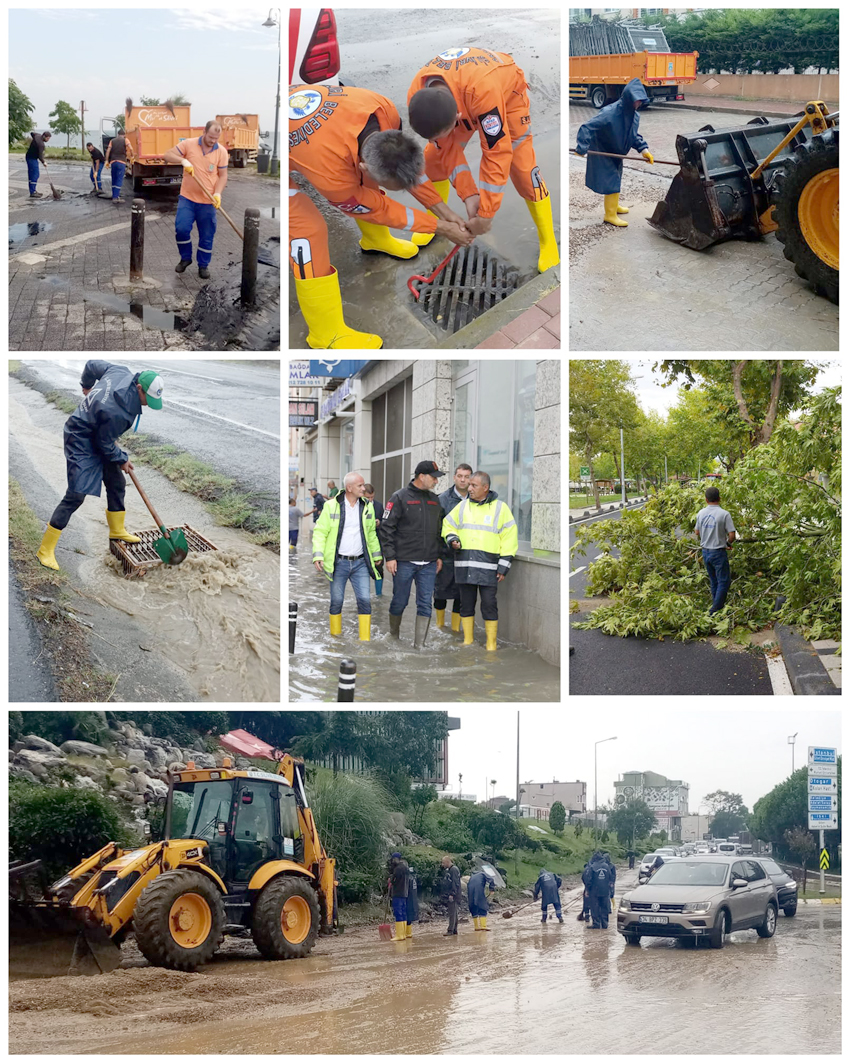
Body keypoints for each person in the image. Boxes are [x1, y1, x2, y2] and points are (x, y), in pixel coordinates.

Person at [289, 83, 473, 349]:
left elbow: (405, 169)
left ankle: (375, 241)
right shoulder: (333, 176)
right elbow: (377, 209)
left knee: (368, 187)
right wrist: (441, 227)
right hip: (283, 154)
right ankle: (325, 334)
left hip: (325, 129)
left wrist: (444, 212)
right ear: (363, 165)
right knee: (308, 231)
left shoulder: (385, 111)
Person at [407, 48, 558, 273]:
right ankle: (436, 225)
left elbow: (497, 153)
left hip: (506, 92)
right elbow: (446, 150)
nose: (436, 140)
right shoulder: (416, 93)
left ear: (459, 119)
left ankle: (548, 240)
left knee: (523, 169)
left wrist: (486, 212)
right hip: (467, 87)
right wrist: (469, 196)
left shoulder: (482, 92)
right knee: (433, 158)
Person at [36, 362, 164, 570]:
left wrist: (87, 386)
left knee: (116, 483)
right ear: (139, 388)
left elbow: (92, 365)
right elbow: (104, 444)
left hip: (99, 431)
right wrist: (122, 458)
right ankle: (45, 550)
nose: (148, 404)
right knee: (76, 494)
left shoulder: (120, 371)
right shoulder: (118, 412)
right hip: (80, 438)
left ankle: (117, 530)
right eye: (147, 399)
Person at [442, 470, 518, 651]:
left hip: (489, 568)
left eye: (474, 485)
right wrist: (452, 539)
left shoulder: (501, 508)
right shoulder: (462, 507)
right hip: (465, 565)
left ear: (486, 487)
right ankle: (468, 640)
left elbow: (510, 537)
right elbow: (448, 525)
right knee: (466, 604)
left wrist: (504, 566)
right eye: (469, 485)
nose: (469, 488)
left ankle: (491, 643)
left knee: (489, 604)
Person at [379, 460, 446, 648]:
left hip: (429, 562)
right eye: (433, 478)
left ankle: (419, 646)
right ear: (421, 476)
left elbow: (439, 530)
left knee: (425, 603)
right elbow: (386, 528)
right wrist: (390, 557)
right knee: (400, 601)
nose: (436, 481)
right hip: (404, 561)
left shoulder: (435, 500)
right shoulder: (399, 497)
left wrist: (439, 555)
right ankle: (394, 635)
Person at [312, 471, 383, 641]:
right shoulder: (331, 506)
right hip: (339, 563)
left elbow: (371, 533)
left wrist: (376, 555)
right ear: (349, 487)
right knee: (337, 601)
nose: (363, 488)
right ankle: (335, 639)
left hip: (360, 563)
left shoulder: (367, 506)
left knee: (365, 600)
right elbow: (320, 532)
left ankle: (364, 642)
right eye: (360, 485)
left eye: (363, 484)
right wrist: (318, 555)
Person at [574, 78, 654, 227]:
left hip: (617, 150)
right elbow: (587, 127)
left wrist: (644, 150)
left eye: (640, 101)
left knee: (616, 178)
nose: (638, 104)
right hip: (603, 149)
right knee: (611, 181)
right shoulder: (610, 113)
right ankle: (609, 215)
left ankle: (614, 205)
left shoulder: (634, 115)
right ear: (629, 98)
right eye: (636, 100)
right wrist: (581, 148)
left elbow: (633, 135)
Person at [163, 121, 229, 279]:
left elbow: (223, 176)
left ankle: (203, 265)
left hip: (208, 201)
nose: (213, 140)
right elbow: (167, 155)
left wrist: (218, 194)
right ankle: (185, 258)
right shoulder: (189, 144)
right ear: (204, 131)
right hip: (188, 198)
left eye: (216, 138)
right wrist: (183, 161)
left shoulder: (222, 152)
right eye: (211, 137)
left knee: (207, 235)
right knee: (182, 229)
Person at [434, 463, 471, 632]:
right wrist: (437, 555)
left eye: (467, 476)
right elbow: (435, 529)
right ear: (454, 477)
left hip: (468, 554)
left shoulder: (475, 499)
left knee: (461, 594)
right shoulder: (442, 499)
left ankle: (455, 630)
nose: (463, 480)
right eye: (460, 476)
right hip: (446, 554)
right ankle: (439, 625)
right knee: (440, 592)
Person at [695, 486, 736, 615]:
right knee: (724, 581)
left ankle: (715, 606)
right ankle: (714, 610)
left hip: (705, 552)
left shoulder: (701, 513)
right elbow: (732, 535)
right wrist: (728, 543)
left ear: (706, 499)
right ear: (719, 498)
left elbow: (697, 532)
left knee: (714, 581)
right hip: (718, 552)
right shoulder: (724, 514)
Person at [582, 851, 613, 930]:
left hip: (594, 892)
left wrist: (587, 890)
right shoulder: (606, 866)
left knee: (595, 908)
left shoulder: (592, 867)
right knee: (604, 908)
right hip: (605, 891)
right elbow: (610, 878)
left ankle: (596, 924)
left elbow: (589, 880)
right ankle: (605, 924)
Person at [103, 129, 135, 203]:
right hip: (121, 162)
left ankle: (115, 195)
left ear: (118, 134)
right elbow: (131, 148)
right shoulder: (125, 140)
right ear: (124, 135)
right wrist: (132, 157)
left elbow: (108, 151)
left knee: (114, 178)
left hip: (113, 162)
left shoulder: (112, 141)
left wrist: (107, 160)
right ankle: (115, 198)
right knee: (119, 179)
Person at [467, 866, 496, 931]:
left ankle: (476, 927)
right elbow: (491, 879)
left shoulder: (472, 877)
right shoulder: (483, 874)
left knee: (473, 907)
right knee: (482, 906)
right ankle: (483, 926)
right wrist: (492, 889)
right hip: (478, 891)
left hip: (470, 892)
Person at [389, 852, 410, 941]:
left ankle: (399, 935)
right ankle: (404, 933)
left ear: (396, 859)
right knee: (404, 912)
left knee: (398, 913)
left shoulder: (397, 869)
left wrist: (390, 880)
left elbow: (394, 881)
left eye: (393, 859)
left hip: (398, 893)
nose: (392, 861)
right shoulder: (405, 868)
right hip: (404, 893)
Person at [25, 130, 52, 197]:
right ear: (44, 136)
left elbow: (32, 133)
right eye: (48, 138)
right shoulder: (41, 145)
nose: (48, 140)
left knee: (32, 174)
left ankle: (33, 190)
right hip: (32, 159)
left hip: (29, 157)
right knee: (35, 175)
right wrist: (44, 162)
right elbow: (40, 156)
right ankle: (32, 192)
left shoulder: (37, 135)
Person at [440, 855, 461, 936]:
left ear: (448, 862)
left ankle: (450, 930)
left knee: (452, 912)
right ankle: (454, 929)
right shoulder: (452, 869)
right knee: (454, 912)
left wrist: (452, 894)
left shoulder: (453, 870)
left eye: (443, 862)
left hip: (454, 895)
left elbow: (455, 883)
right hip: (455, 894)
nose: (442, 864)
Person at [406, 865, 420, 939]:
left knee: (407, 914)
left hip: (408, 898)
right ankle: (409, 932)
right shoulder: (413, 878)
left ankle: (406, 932)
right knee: (410, 915)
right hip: (413, 899)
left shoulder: (408, 879)